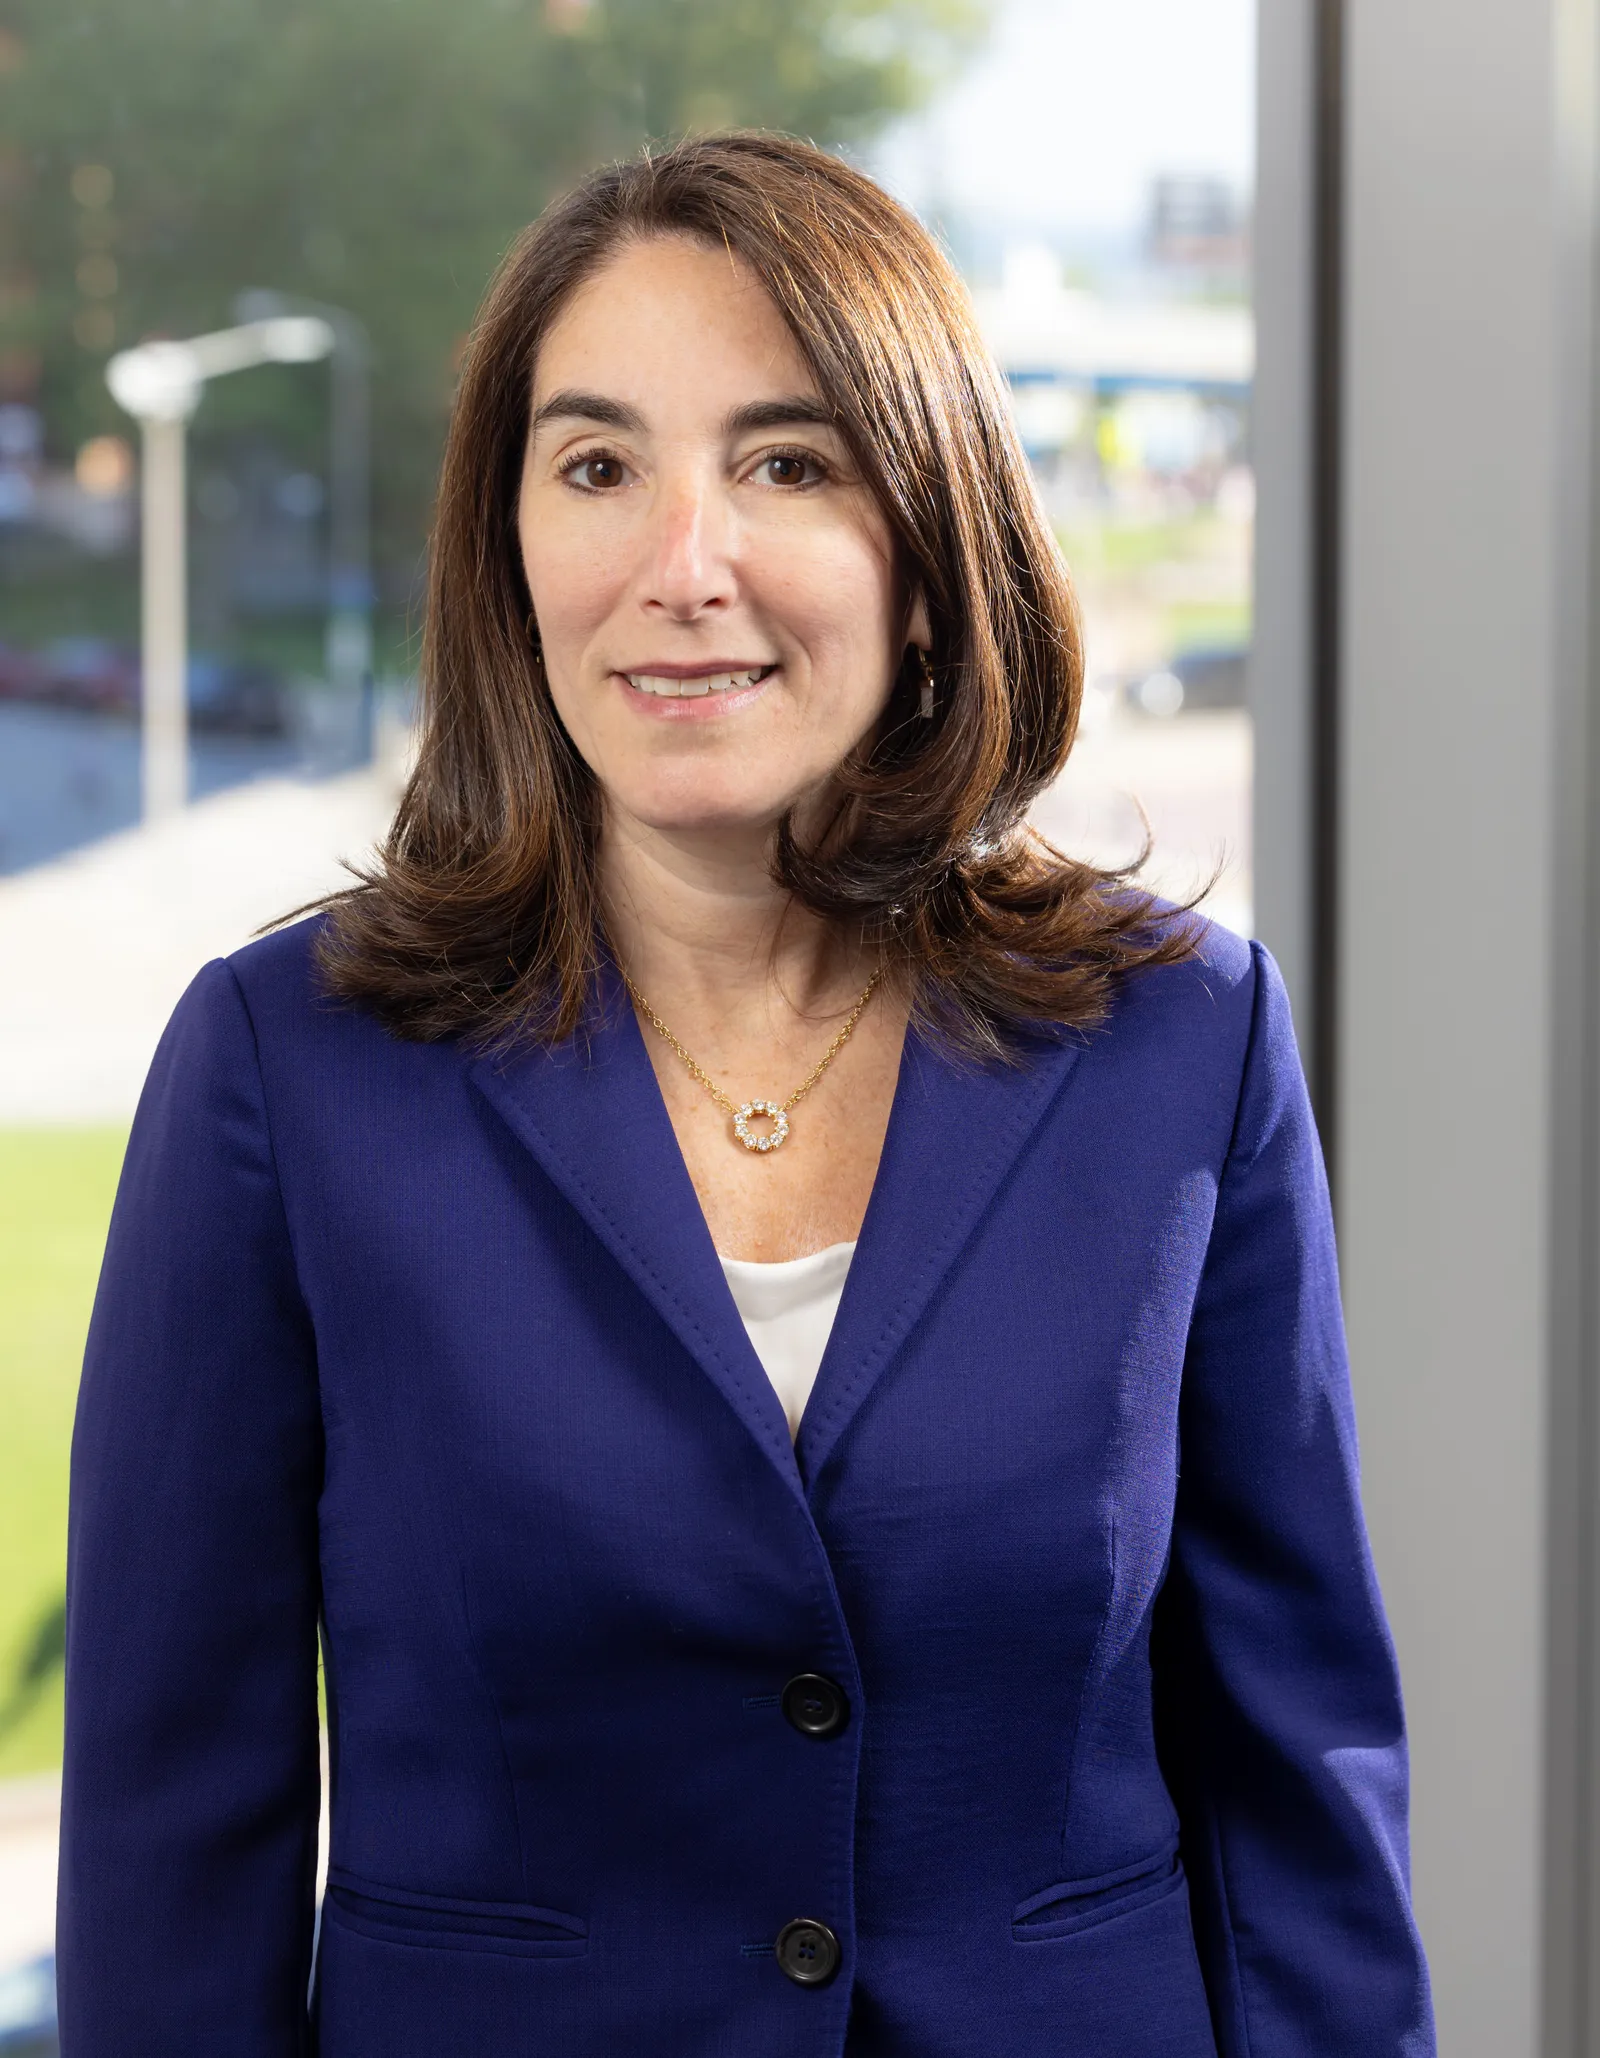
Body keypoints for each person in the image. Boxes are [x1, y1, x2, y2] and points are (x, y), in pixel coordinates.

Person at [57, 133, 1434, 2057]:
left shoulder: (1182, 1042)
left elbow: (1305, 1786)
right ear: (509, 543)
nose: (678, 564)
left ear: (933, 554)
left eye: (787, 464)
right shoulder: (285, 1070)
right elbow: (167, 1846)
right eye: (598, 466)